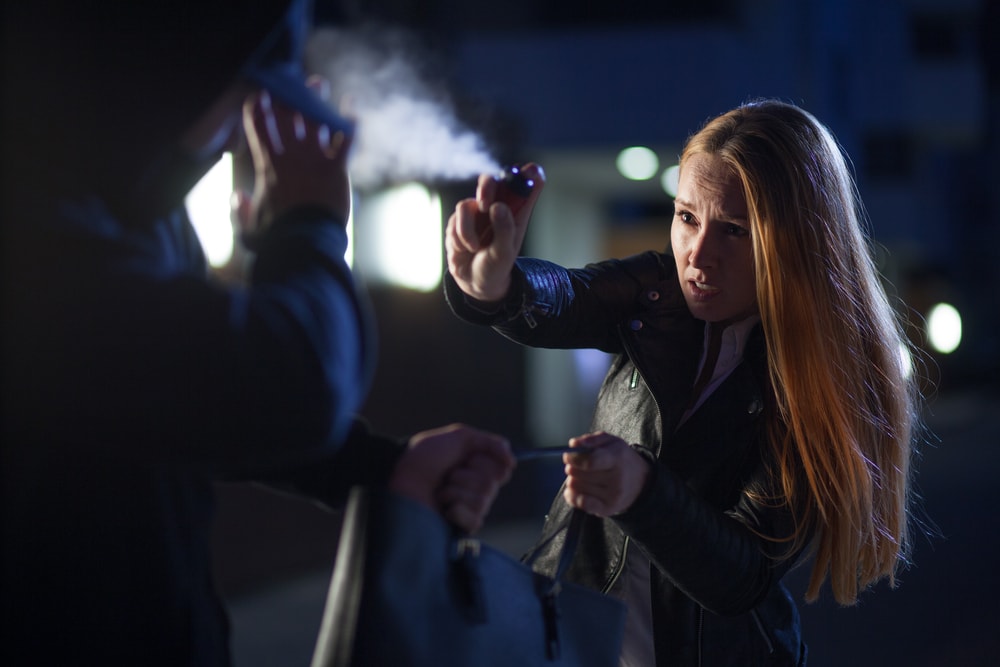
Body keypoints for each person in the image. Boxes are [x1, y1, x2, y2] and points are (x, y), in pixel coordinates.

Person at [1, 2, 513, 665]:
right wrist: (307, 227)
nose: (234, 136)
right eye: (240, 90)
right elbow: (293, 385)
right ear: (166, 74)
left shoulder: (136, 218)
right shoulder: (30, 225)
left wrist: (378, 469)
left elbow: (189, 389)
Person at [444, 99, 922, 666]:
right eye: (687, 217)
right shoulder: (658, 289)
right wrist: (496, 285)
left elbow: (742, 575)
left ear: (797, 240)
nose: (698, 255)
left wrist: (641, 492)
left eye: (735, 230)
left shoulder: (825, 378)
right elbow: (569, 297)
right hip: (569, 641)